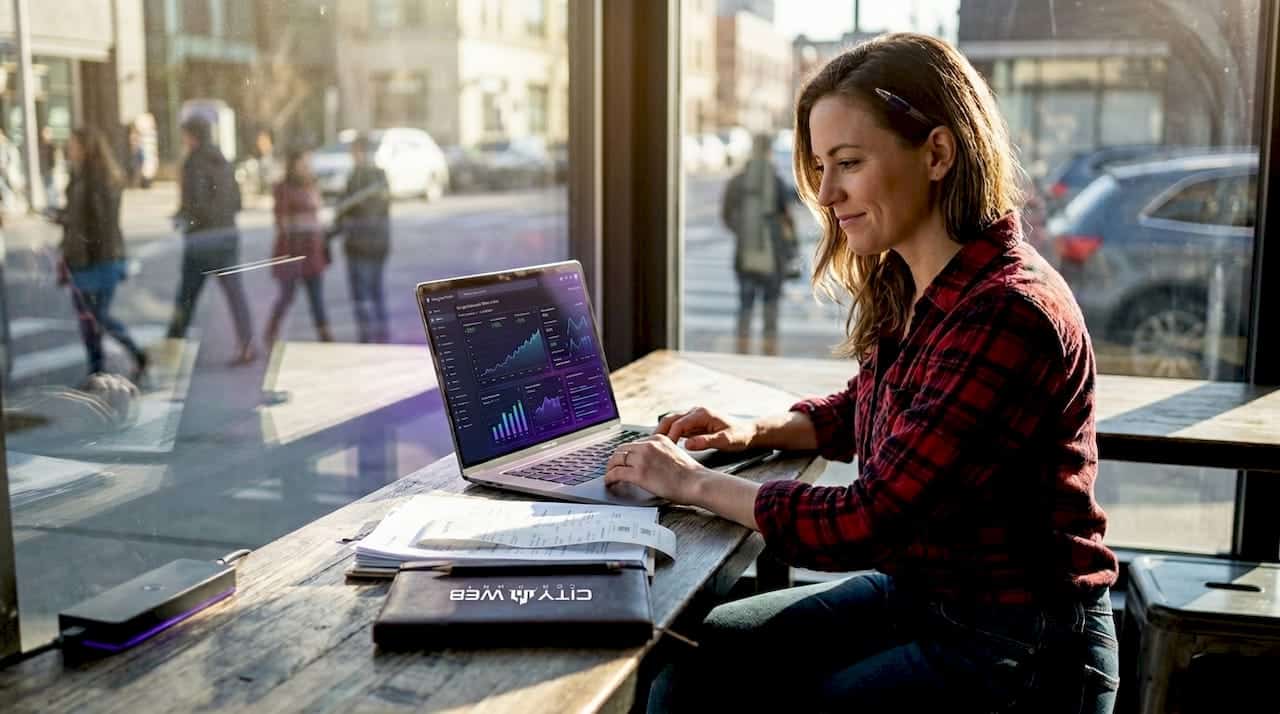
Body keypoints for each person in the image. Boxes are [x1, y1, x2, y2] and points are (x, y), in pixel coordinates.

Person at [606, 33, 1120, 713]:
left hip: (1016, 646)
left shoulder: (1007, 311)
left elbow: (871, 519)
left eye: (847, 163)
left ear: (937, 153)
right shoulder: (923, 281)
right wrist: (750, 429)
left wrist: (688, 482)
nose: (825, 192)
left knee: (732, 692)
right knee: (693, 667)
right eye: (820, 166)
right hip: (924, 597)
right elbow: (867, 408)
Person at [56, 127, 147, 382]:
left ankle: (121, 359)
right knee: (93, 318)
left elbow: (94, 223)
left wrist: (68, 221)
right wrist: (63, 217)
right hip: (96, 259)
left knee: (94, 317)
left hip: (93, 260)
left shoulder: (92, 180)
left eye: (73, 144)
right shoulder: (87, 177)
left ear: (86, 147)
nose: (69, 148)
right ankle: (99, 367)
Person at [166, 116, 256, 365]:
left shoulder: (192, 163)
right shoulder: (223, 160)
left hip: (202, 240)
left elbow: (195, 205)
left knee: (186, 298)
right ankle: (247, 345)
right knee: (235, 294)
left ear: (191, 136)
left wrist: (182, 217)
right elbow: (237, 202)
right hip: (227, 235)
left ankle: (171, 351)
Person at [721, 132, 797, 355]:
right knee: (770, 308)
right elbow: (787, 216)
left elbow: (726, 215)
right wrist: (792, 247)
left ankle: (741, 351)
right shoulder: (775, 180)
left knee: (745, 305)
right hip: (773, 255)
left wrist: (744, 232)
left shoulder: (737, 181)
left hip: (745, 255)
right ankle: (769, 353)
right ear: (769, 151)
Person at [265, 147, 332, 344]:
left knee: (317, 298)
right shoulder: (283, 188)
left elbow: (317, 215)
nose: (306, 167)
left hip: (312, 251)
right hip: (292, 252)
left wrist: (321, 227)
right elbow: (282, 222)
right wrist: (306, 223)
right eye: (303, 163)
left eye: (308, 163)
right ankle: (271, 331)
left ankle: (326, 337)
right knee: (286, 296)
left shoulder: (312, 185)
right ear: (293, 165)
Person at [336, 134, 391, 343]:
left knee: (362, 298)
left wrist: (331, 232)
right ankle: (382, 336)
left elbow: (346, 213)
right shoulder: (381, 177)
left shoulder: (357, 179)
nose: (352, 156)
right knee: (377, 294)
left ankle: (368, 339)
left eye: (354, 151)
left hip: (360, 246)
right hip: (379, 245)